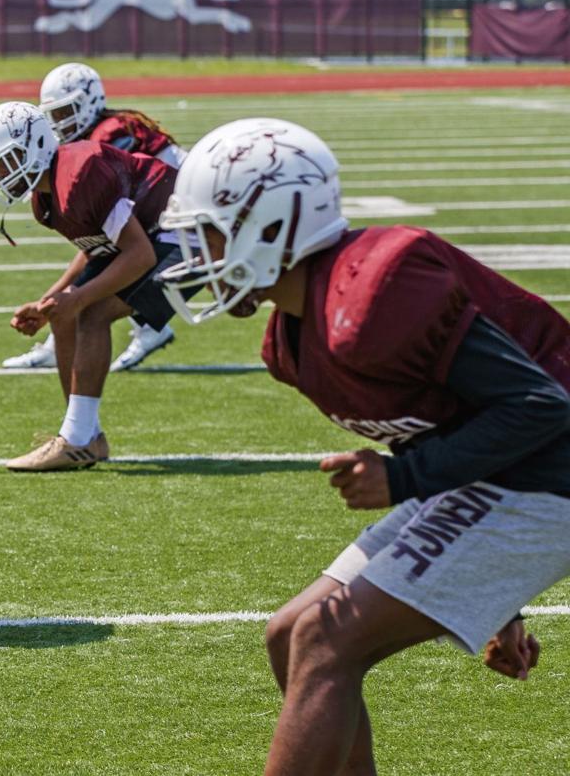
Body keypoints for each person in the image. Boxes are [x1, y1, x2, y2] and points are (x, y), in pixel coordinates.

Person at [157, 116, 570, 775]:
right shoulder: (292, 340)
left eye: (207, 230)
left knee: (327, 638)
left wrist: (403, 477)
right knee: (291, 634)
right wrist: (504, 597)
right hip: (507, 472)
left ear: (273, 222)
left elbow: (541, 404)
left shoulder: (376, 293)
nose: (196, 253)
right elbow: (458, 420)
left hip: (551, 472)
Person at [0, 101, 199, 472]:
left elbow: (138, 254)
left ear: (34, 147)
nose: (0, 175)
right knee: (62, 312)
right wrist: (51, 297)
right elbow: (97, 247)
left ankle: (76, 441)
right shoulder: (45, 199)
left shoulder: (79, 173)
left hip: (189, 233)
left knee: (91, 312)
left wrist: (76, 297)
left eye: (5, 161)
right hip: (152, 234)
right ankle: (85, 435)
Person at [2, 62, 187, 373]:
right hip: (162, 216)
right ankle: (135, 330)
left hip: (185, 214)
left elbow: (117, 231)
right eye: (55, 115)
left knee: (108, 274)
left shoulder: (106, 138)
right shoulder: (93, 138)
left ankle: (148, 329)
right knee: (101, 261)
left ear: (90, 101)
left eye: (65, 112)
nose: (60, 123)